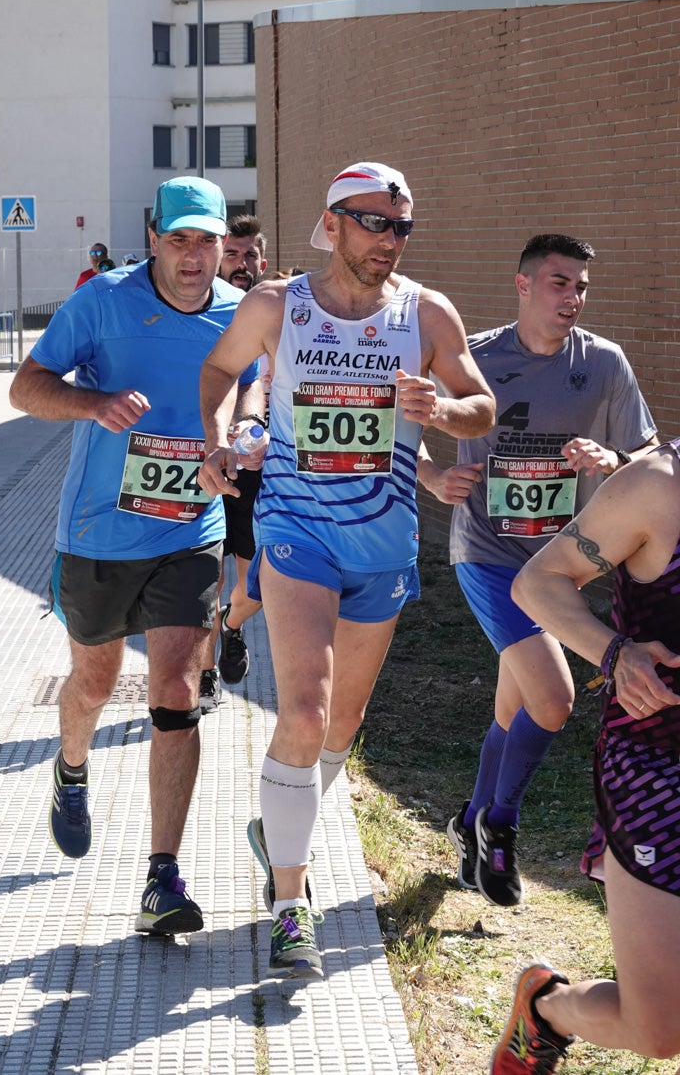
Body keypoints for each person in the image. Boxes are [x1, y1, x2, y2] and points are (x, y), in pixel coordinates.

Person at [198, 161, 496, 979]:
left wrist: (442, 410)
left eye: (401, 227)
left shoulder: (424, 312)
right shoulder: (276, 305)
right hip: (297, 532)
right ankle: (290, 906)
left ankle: (278, 826)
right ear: (331, 224)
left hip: (385, 543)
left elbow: (481, 403)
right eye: (374, 223)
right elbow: (222, 372)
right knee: (302, 708)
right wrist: (220, 438)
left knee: (338, 727)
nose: (389, 242)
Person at [9, 176, 261, 936]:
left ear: (224, 243)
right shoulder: (102, 303)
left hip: (190, 528)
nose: (193, 256)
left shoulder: (238, 312)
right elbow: (25, 386)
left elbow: (252, 386)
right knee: (93, 680)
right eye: (179, 239)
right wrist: (94, 405)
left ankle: (161, 877)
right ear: (153, 236)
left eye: (207, 241)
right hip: (96, 536)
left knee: (179, 688)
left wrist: (243, 435)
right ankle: (72, 765)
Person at [417, 233, 658, 907]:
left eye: (581, 285)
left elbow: (649, 455)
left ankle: (468, 821)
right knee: (552, 698)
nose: (572, 297)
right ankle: (499, 825)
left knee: (516, 701)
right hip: (487, 555)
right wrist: (435, 476)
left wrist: (608, 462)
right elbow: (386, 423)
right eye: (558, 283)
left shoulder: (603, 364)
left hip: (561, 565)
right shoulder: (478, 357)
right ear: (521, 285)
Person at [488, 422, 680, 1074]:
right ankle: (545, 1008)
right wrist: (613, 653)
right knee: (662, 1027)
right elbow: (539, 582)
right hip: (661, 774)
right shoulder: (661, 485)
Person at [198, 215, 269, 715]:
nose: (241, 265)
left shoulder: (283, 310)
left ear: (261, 261)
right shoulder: (204, 312)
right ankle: (203, 675)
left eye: (250, 257)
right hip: (203, 460)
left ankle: (233, 626)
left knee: (255, 585)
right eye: (234, 255)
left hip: (260, 470)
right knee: (204, 580)